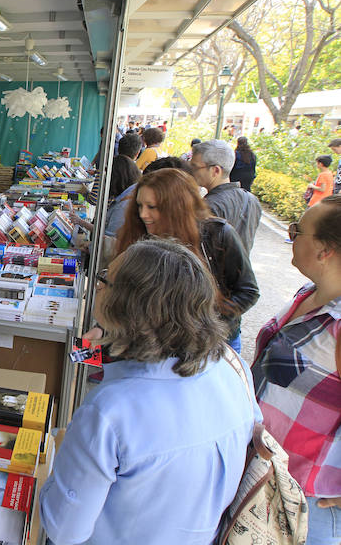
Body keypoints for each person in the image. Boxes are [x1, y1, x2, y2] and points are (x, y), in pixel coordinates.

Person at [38, 238, 258, 544]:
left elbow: (64, 529)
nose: (98, 286)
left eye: (105, 280)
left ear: (127, 304)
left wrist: (56, 461)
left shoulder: (109, 411)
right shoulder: (233, 366)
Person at [252, 195, 341, 545]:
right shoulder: (309, 292)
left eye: (297, 231)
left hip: (308, 502)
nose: (291, 236)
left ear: (324, 250)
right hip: (268, 479)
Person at [116, 168, 259, 352]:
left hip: (213, 345)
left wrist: (206, 323)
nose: (143, 214)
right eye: (139, 206)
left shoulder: (218, 234)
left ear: (176, 206)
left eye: (151, 207)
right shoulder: (142, 236)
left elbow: (248, 292)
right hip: (161, 348)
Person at [190, 139, 262, 254]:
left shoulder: (208, 206)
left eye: (195, 167)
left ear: (215, 170)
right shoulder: (252, 200)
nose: (191, 171)